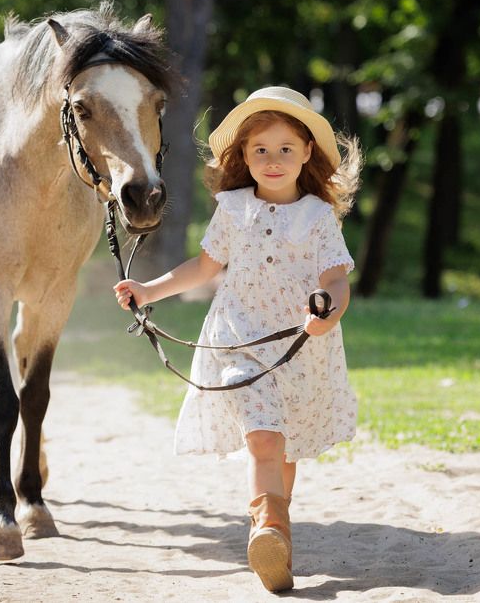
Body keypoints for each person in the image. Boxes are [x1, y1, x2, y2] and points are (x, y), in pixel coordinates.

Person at [113, 86, 363, 593]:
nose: (273, 160)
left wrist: (327, 311)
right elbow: (205, 267)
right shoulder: (232, 208)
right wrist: (148, 289)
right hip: (240, 339)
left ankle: (276, 539)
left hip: (299, 346)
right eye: (260, 150)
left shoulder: (317, 217)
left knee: (284, 449)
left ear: (307, 152)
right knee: (264, 439)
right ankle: (267, 528)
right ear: (243, 156)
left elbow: (337, 280)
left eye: (285, 149)